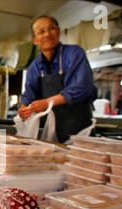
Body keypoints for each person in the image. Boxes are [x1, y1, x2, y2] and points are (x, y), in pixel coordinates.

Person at [18, 15, 97, 143]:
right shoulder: (34, 66)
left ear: (59, 31)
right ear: (34, 40)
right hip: (50, 133)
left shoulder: (74, 53)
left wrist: (47, 102)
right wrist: (23, 107)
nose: (47, 34)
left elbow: (82, 88)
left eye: (52, 28)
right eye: (41, 31)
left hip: (80, 132)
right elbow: (29, 95)